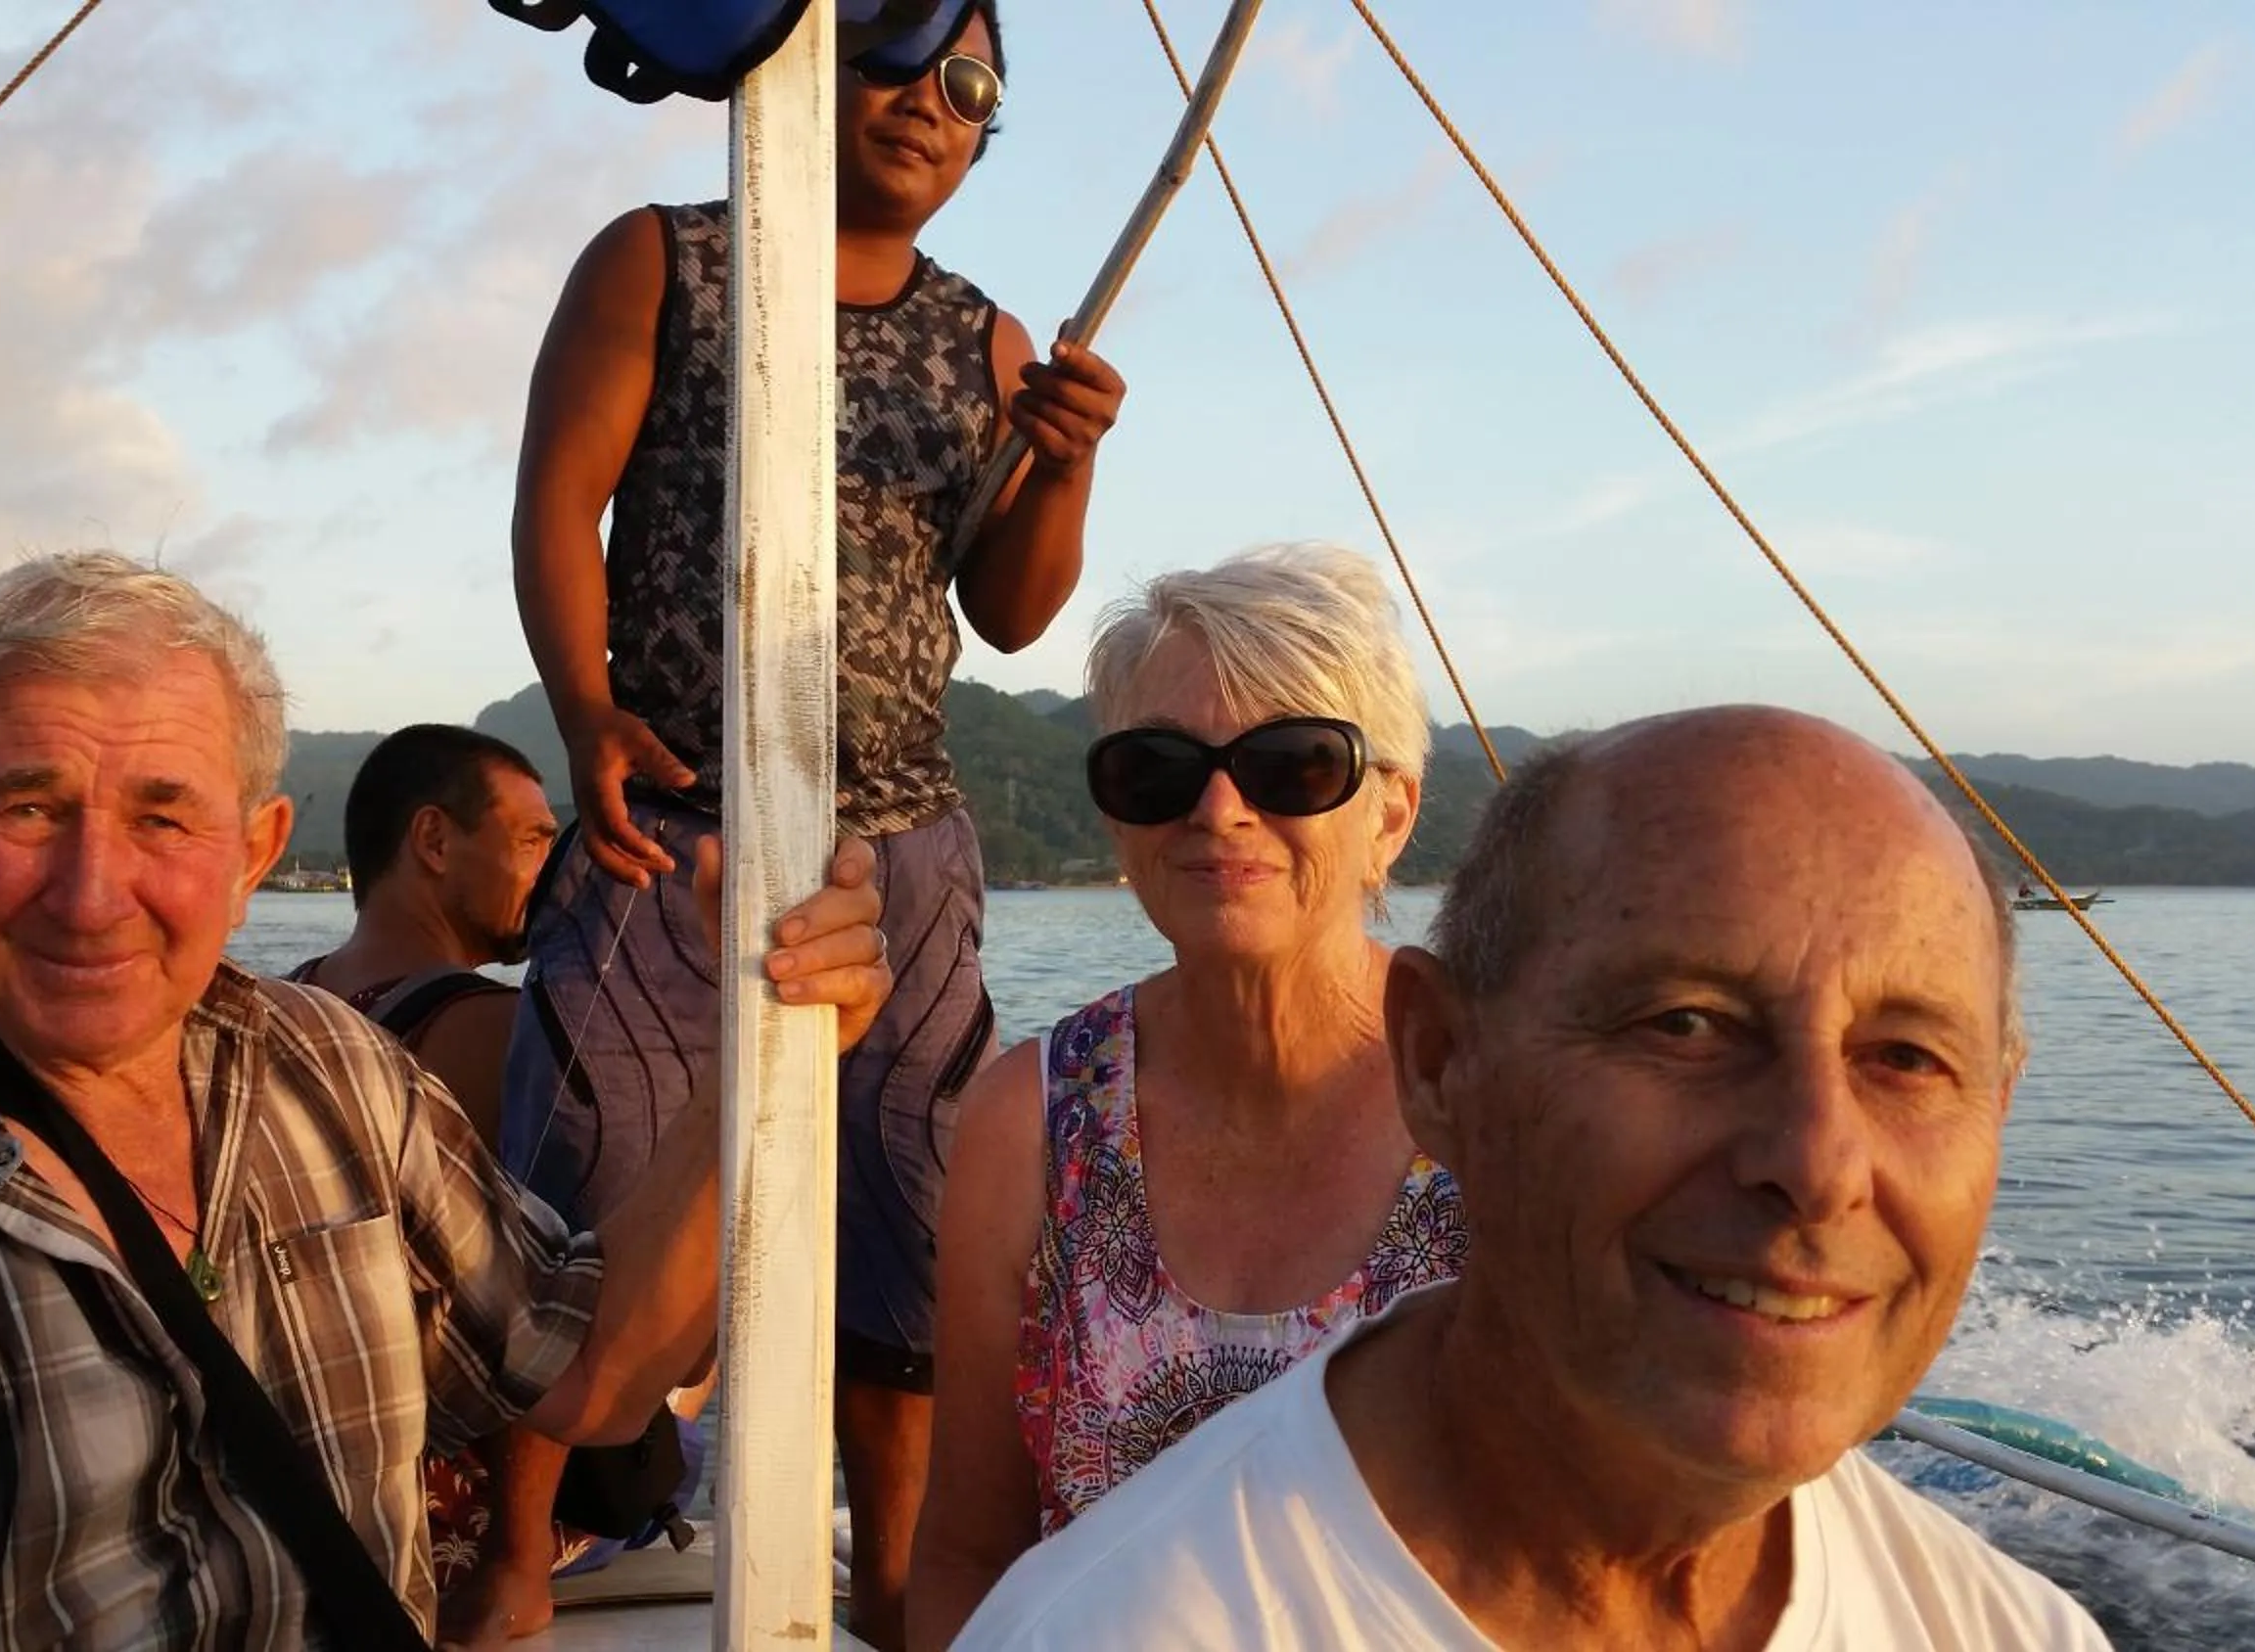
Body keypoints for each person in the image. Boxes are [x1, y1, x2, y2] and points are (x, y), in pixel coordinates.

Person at [0, 552, 896, 1649]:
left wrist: (770, 1044)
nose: (91, 892)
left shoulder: (328, 1068)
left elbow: (589, 1371)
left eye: (164, 819)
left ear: (256, 851)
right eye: (29, 806)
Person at [954, 706, 2112, 1649]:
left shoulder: (2015, 1631)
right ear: (1438, 1062)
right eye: (1687, 1024)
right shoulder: (1112, 1625)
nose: (1818, 1161)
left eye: (1907, 1057)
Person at [497, 4, 1127, 1644]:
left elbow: (1009, 613)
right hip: (672, 817)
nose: (932, 100)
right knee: (580, 1185)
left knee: (907, 1216)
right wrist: (587, 715)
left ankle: (895, 1587)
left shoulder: (988, 341)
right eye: (900, 49)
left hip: (903, 848)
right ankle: (508, 1555)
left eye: (973, 84)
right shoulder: (662, 260)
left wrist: (1062, 468)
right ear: (809, 55)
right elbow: (561, 493)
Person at [908, 543, 1469, 1648]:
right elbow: (971, 1552)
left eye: (1293, 763)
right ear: (1118, 816)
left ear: (1392, 815)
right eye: (1158, 768)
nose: (1218, 809)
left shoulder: (1501, 1105)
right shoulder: (1033, 1124)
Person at [284, 723, 559, 1154]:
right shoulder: (502, 1030)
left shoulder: (279, 1004)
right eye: (530, 843)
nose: (553, 875)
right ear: (435, 842)